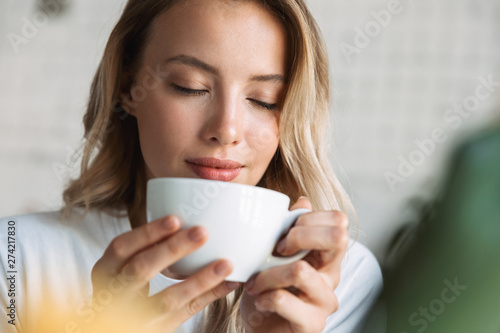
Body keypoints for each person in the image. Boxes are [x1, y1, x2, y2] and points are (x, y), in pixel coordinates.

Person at [0, 1, 382, 332]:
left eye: (265, 100)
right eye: (190, 86)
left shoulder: (337, 281)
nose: (226, 130)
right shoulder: (15, 257)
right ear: (127, 86)